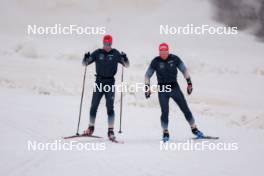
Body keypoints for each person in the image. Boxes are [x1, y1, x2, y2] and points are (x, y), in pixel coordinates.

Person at [144, 43, 204, 142]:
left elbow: (184, 70)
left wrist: (189, 83)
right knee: (165, 112)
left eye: (165, 51)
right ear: (159, 52)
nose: (163, 54)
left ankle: (194, 129)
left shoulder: (175, 59)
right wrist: (147, 88)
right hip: (162, 89)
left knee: (185, 108)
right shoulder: (156, 61)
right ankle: (165, 132)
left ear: (168, 51)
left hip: (174, 87)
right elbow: (147, 75)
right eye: (161, 52)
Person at [82, 34, 129, 140]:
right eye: (105, 43)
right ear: (103, 43)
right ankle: (90, 128)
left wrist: (125, 58)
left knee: (110, 107)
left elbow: (126, 65)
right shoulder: (98, 53)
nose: (107, 46)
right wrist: (86, 58)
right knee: (94, 106)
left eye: (109, 44)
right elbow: (85, 63)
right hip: (99, 83)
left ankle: (110, 131)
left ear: (111, 44)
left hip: (110, 83)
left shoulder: (115, 53)